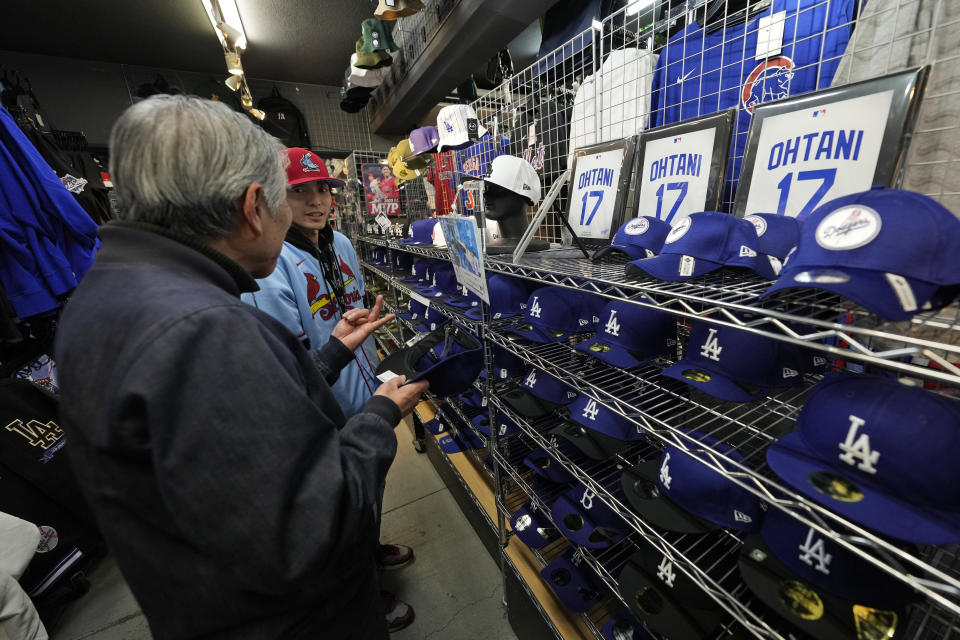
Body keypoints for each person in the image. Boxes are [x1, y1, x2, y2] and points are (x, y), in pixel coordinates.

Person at [54, 95, 428, 640]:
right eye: (287, 197)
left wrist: (332, 353)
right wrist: (378, 414)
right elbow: (316, 525)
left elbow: (242, 448)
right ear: (255, 206)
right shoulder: (202, 329)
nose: (307, 206)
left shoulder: (113, 290)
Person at [241, 147, 416, 631]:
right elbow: (293, 363)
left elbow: (354, 311)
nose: (316, 201)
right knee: (338, 508)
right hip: (322, 405)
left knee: (371, 484)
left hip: (363, 388)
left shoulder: (338, 243)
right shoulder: (272, 263)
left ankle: (371, 549)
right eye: (300, 191)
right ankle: (360, 591)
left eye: (322, 189)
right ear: (277, 197)